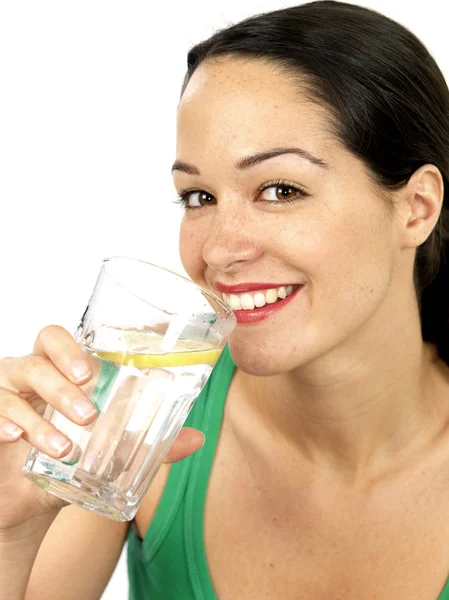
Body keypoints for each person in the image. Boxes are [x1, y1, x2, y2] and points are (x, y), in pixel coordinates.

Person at [2, 1, 449, 598]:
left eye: (280, 189)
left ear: (416, 207)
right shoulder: (140, 426)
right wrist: (9, 534)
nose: (219, 250)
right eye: (198, 197)